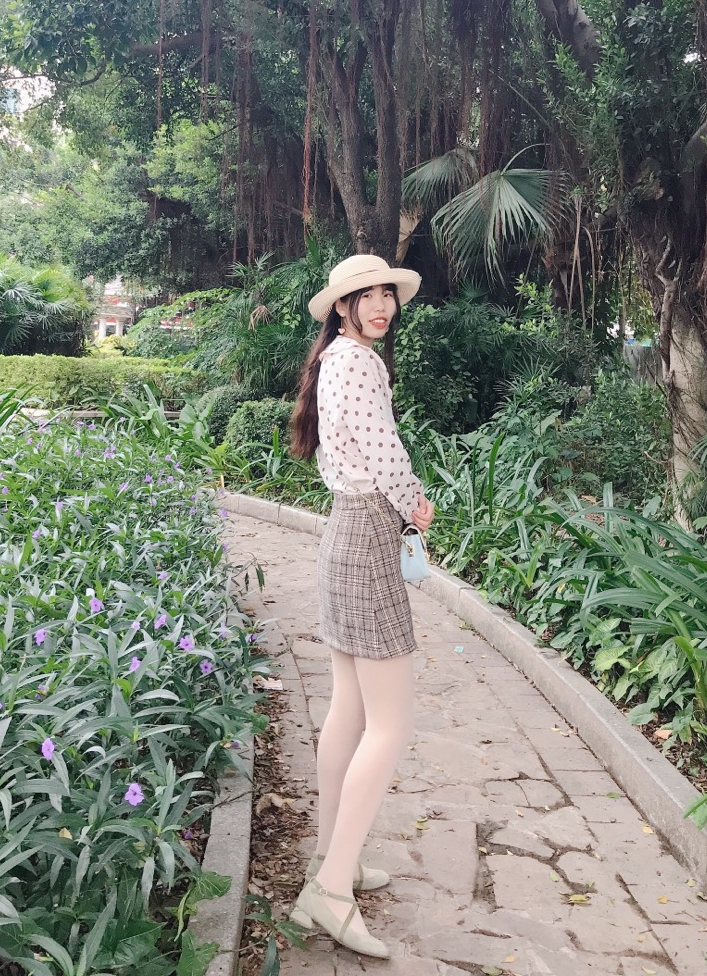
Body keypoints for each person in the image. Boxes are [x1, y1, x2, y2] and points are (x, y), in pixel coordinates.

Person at [287, 254, 435, 959]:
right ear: (341, 306)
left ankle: (331, 861)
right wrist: (415, 502)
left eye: (387, 294)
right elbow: (383, 448)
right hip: (368, 535)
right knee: (390, 722)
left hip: (346, 534)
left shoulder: (336, 360)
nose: (381, 305)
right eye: (365, 295)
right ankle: (331, 891)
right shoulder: (359, 363)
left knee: (348, 707)